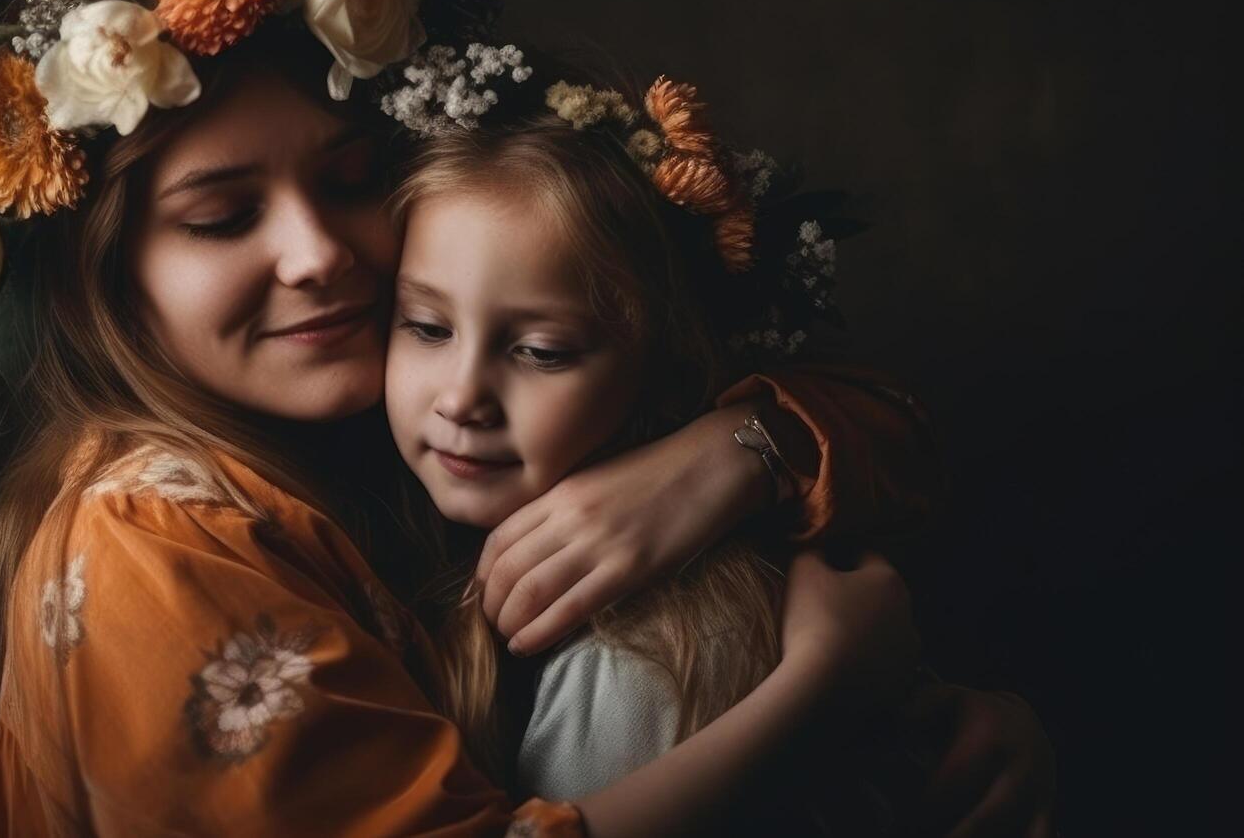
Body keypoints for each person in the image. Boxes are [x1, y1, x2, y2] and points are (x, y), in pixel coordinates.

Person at [0, 0, 1050, 836]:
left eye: (349, 181)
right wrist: (821, 692)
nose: (320, 253)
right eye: (222, 217)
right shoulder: (157, 537)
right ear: (107, 278)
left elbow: (890, 432)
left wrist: (726, 458)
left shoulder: (389, 426)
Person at [384, 71, 1055, 835]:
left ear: (661, 370)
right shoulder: (391, 523)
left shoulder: (639, 668)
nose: (461, 396)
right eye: (426, 328)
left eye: (542, 351)